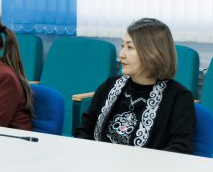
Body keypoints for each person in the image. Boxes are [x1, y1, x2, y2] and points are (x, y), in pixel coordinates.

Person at [74, 18, 195, 153]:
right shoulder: (109, 86)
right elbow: (83, 130)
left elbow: (180, 148)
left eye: (130, 47)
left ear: (152, 53)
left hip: (146, 166)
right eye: (122, 46)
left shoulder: (179, 97)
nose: (121, 55)